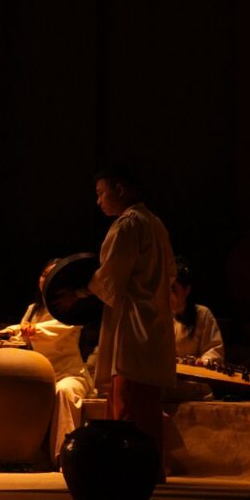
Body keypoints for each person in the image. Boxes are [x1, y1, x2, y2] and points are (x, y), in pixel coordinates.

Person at [56, 166, 176, 478]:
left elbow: (112, 275)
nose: (98, 201)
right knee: (147, 401)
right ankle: (150, 467)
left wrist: (79, 294)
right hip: (154, 320)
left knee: (129, 400)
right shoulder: (155, 223)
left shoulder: (129, 224)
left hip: (134, 324)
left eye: (101, 193)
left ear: (119, 188)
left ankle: (127, 470)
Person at [0, 260, 93, 468]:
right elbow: (24, 336)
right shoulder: (32, 310)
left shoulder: (72, 309)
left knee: (64, 391)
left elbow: (58, 328)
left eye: (51, 274)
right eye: (43, 274)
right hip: (39, 378)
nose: (45, 279)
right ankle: (13, 456)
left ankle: (64, 455)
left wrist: (20, 329)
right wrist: (14, 334)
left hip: (69, 374)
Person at [172, 257, 225, 364]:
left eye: (173, 288)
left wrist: (201, 361)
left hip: (189, 376)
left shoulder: (202, 314)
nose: (168, 294)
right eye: (166, 288)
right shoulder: (160, 313)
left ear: (187, 290)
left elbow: (214, 350)